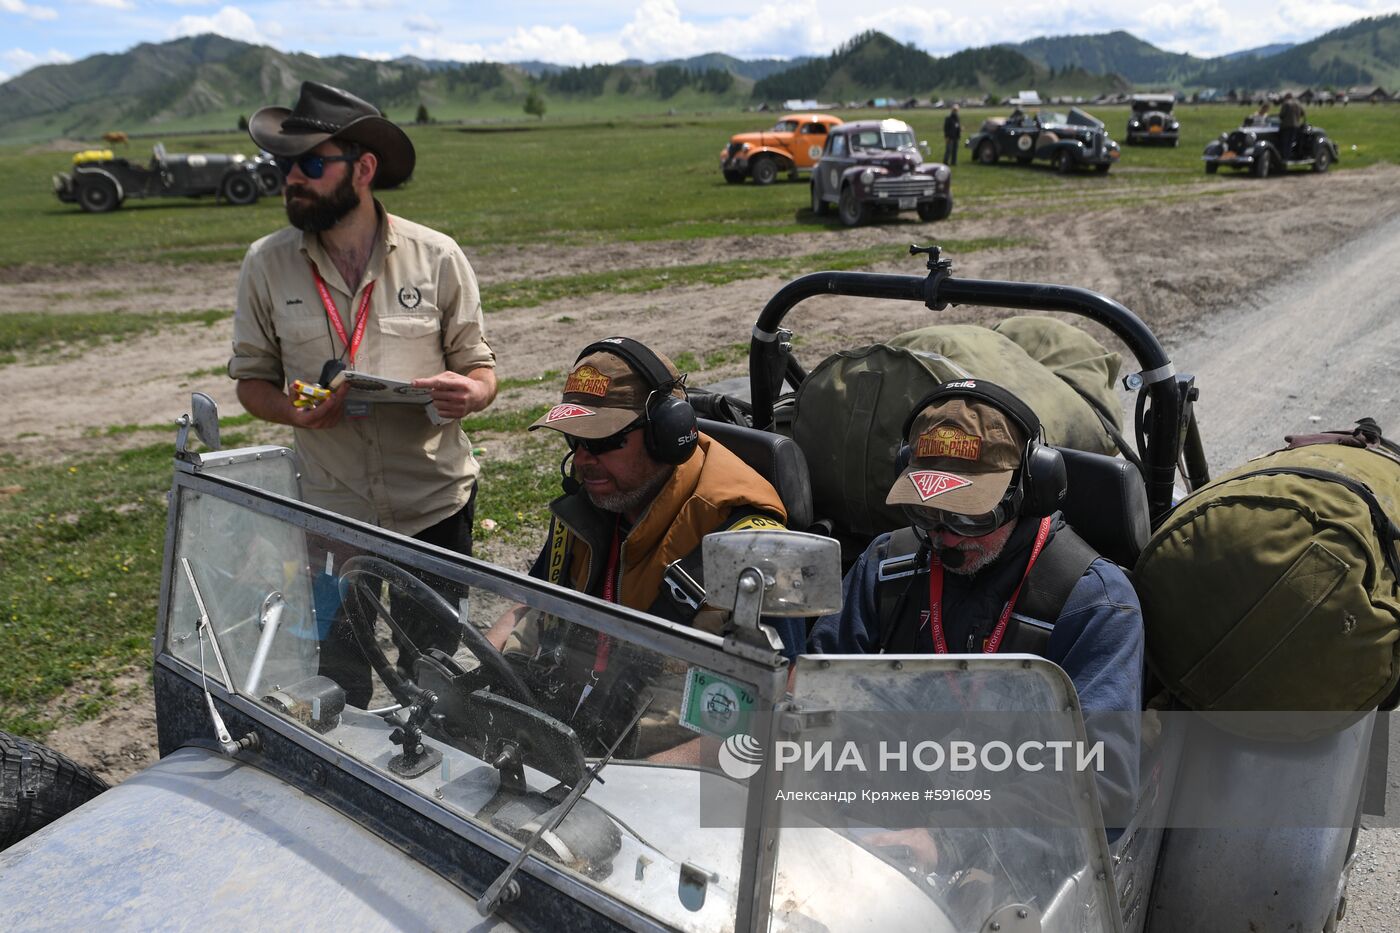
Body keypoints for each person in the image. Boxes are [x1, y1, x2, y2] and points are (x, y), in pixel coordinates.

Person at [228, 81, 498, 703]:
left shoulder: (438, 256)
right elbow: (251, 383)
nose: (292, 177)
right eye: (284, 165)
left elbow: (481, 369)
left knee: (431, 672)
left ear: (364, 168)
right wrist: (301, 409)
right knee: (335, 675)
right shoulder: (264, 265)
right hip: (331, 515)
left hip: (433, 506)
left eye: (312, 163)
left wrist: (471, 393)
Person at [808, 379, 1143, 822]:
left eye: (969, 514)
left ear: (1028, 493)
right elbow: (813, 700)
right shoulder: (886, 566)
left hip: (1011, 862)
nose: (942, 534)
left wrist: (948, 841)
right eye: (925, 510)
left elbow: (1102, 785)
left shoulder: (1094, 605)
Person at [486, 337, 801, 755]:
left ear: (667, 434)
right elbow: (530, 606)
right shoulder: (591, 507)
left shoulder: (754, 548)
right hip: (568, 741)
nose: (582, 460)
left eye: (601, 442)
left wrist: (654, 779)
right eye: (573, 440)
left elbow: (777, 707)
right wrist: (470, 673)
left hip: (660, 782)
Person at [1278, 92, 1305, 160]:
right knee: (1291, 141)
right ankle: (1289, 155)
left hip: (1286, 125)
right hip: (1296, 125)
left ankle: (1284, 157)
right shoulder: (1298, 103)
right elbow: (1302, 113)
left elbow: (1282, 115)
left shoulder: (1286, 103)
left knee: (1285, 142)